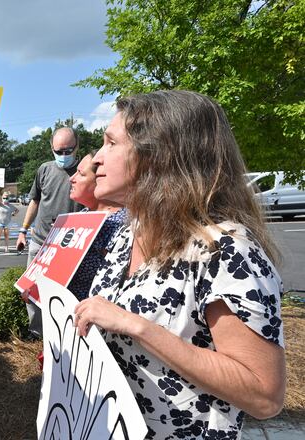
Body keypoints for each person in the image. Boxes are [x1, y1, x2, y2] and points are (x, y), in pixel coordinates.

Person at [74, 90, 285, 439]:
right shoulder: (130, 233)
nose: (96, 159)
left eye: (111, 143)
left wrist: (136, 326)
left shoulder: (226, 251)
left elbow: (264, 395)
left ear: (158, 156)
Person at [16, 127, 81, 339]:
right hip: (40, 241)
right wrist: (23, 231)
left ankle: (66, 332)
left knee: (68, 290)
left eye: (68, 151)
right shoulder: (44, 169)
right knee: (31, 289)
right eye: (58, 151)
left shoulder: (84, 171)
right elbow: (35, 201)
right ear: (51, 148)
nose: (63, 156)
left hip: (70, 244)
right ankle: (36, 332)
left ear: (76, 147)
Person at [65, 153, 125, 300]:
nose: (71, 179)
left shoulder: (124, 224)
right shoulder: (82, 215)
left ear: (100, 180)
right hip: (64, 311)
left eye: (81, 174)